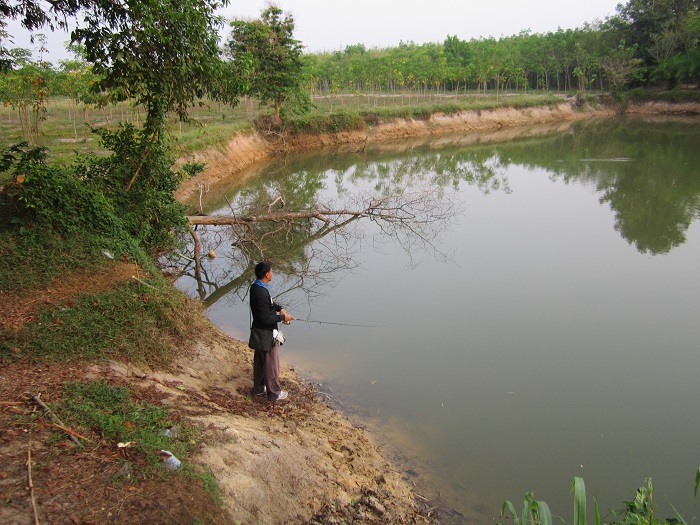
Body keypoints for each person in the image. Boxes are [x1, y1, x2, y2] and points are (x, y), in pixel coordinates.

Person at [249, 261, 295, 401]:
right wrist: (282, 317)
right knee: (271, 365)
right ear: (267, 274)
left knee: (260, 362)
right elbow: (265, 318)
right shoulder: (261, 292)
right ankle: (274, 393)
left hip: (259, 332)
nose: (272, 273)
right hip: (266, 334)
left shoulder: (257, 287)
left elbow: (269, 304)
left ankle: (258, 389)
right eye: (272, 271)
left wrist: (279, 308)